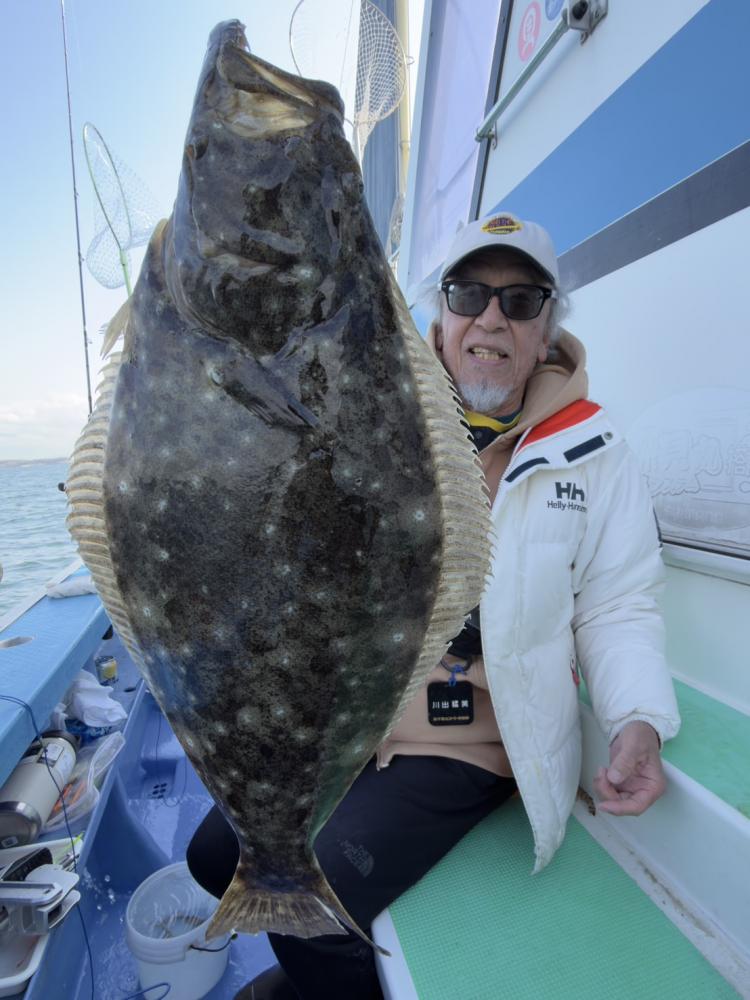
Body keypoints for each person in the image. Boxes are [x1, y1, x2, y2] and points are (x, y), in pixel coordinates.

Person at [186, 212, 681, 1000]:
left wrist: (637, 719)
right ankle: (312, 979)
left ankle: (322, 982)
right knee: (214, 856)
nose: (492, 318)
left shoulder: (597, 451)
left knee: (310, 908)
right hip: (356, 718)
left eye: (520, 300)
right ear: (441, 319)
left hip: (473, 739)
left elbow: (618, 604)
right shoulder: (372, 417)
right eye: (469, 294)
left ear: (547, 329)